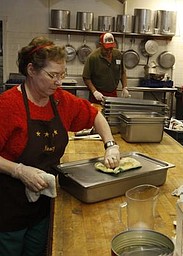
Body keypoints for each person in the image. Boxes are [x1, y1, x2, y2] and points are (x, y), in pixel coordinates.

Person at [0, 36, 120, 255]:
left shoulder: (60, 100)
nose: (59, 82)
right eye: (52, 75)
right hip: (8, 207)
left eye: (62, 74)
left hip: (44, 202)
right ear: (31, 70)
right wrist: (19, 170)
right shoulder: (8, 105)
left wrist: (110, 144)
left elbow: (95, 115)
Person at [82, 32, 130, 103]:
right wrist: (94, 91)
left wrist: (125, 87)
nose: (109, 51)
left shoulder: (118, 55)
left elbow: (122, 72)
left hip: (113, 94)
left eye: (111, 49)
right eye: (106, 49)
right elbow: (86, 77)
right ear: (100, 45)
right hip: (98, 96)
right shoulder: (93, 57)